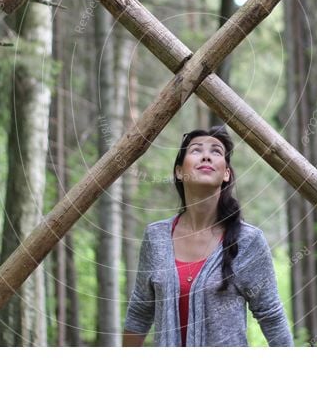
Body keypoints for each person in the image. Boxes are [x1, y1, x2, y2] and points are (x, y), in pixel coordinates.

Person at [122, 126, 293, 347]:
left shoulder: (248, 241)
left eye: (216, 151)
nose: (206, 155)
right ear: (179, 172)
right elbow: (140, 311)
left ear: (226, 173)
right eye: (195, 150)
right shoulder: (156, 237)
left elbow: (271, 316)